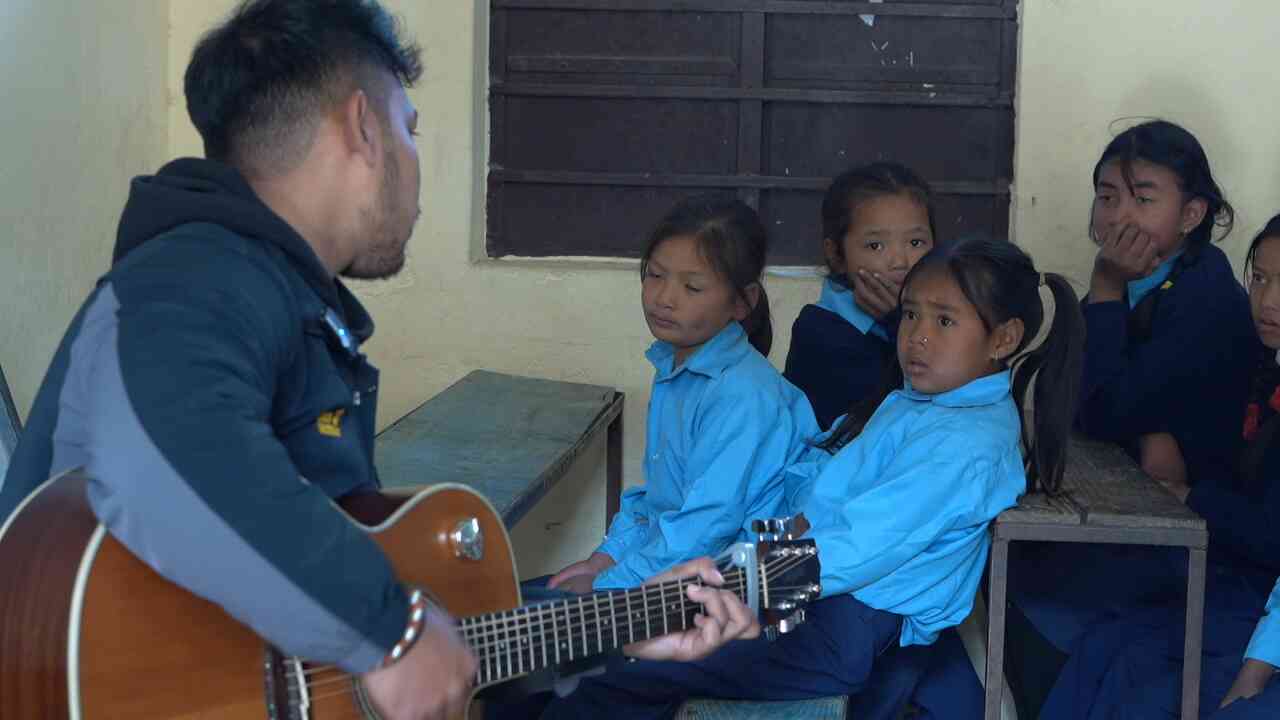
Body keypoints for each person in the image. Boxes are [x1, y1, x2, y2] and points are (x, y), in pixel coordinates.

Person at [0, 2, 758, 718]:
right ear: (363, 128)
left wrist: (614, 630)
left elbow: (355, 666)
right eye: (410, 128)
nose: (416, 166)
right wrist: (386, 628)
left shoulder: (289, 305)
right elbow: (169, 463)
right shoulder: (197, 276)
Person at [538, 236, 1086, 719]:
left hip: (838, 627)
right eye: (912, 314)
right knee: (602, 654)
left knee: (617, 667)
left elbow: (854, 549)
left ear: (1003, 338)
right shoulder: (925, 405)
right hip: (809, 597)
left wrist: (728, 584)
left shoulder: (965, 446)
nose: (917, 336)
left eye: (944, 321)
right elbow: (826, 498)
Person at [1035, 216, 1280, 719]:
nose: (1269, 300)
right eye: (1259, 278)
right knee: (1106, 644)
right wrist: (1154, 434)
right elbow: (1104, 405)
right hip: (1239, 577)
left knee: (1140, 679)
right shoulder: (1259, 362)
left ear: (1192, 210)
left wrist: (1194, 498)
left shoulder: (1203, 295)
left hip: (1255, 592)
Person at [547, 194, 819, 594]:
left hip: (737, 587)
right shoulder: (676, 367)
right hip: (683, 564)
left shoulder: (743, 394)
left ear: (742, 302)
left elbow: (707, 526)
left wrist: (610, 585)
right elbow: (662, 503)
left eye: (692, 287)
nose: (665, 298)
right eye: (655, 275)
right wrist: (603, 559)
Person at [784, 162, 936, 430]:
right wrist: (897, 323)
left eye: (916, 243)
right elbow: (899, 412)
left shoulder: (941, 314)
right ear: (836, 255)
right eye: (875, 245)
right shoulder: (819, 331)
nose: (900, 261)